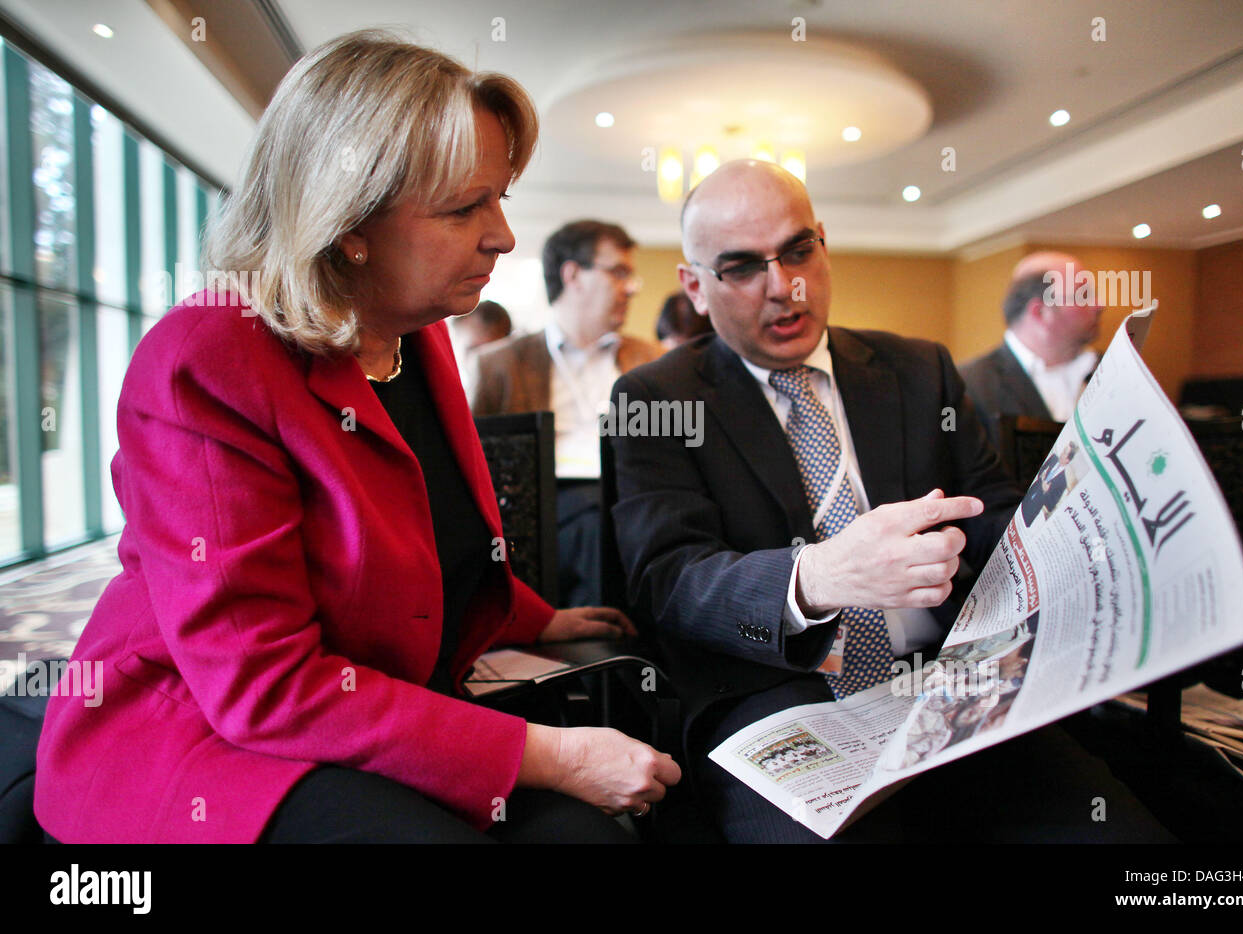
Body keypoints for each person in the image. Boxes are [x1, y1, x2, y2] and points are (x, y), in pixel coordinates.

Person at [33, 30, 678, 845]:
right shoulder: (207, 358)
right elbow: (259, 686)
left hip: (364, 698)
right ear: (347, 223)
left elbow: (419, 534)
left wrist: (530, 616)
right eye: (462, 208)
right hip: (212, 733)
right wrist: (546, 754)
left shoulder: (420, 332)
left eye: (500, 197)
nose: (504, 236)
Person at [609, 160, 1172, 843]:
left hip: (951, 685)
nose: (784, 288)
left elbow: (993, 512)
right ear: (696, 286)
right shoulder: (655, 398)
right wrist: (819, 577)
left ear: (822, 242)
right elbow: (667, 580)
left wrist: (1084, 527)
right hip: (779, 699)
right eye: (742, 268)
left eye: (797, 251)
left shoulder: (918, 369)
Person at [471, 220, 659, 607]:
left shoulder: (650, 360)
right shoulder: (499, 365)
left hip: (633, 496)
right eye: (619, 272)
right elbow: (474, 464)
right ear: (572, 274)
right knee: (594, 523)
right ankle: (605, 644)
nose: (632, 287)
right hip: (544, 505)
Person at [960, 251, 1102, 451]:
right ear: (1040, 311)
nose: (1099, 305)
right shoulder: (968, 384)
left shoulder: (1117, 368)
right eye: (1083, 295)